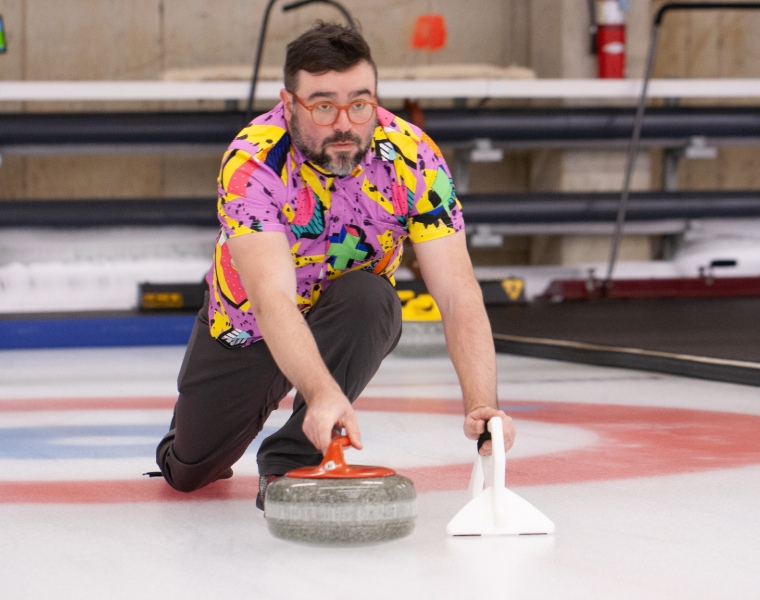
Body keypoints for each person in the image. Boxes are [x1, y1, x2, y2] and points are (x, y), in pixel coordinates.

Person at [155, 21, 516, 508]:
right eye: (323, 105)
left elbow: (457, 292)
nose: (344, 123)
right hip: (250, 325)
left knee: (373, 298)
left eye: (360, 103)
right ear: (288, 105)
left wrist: (481, 405)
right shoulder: (253, 161)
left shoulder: (413, 157)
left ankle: (290, 462)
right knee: (190, 473)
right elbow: (271, 298)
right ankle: (194, 437)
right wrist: (323, 392)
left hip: (346, 314)